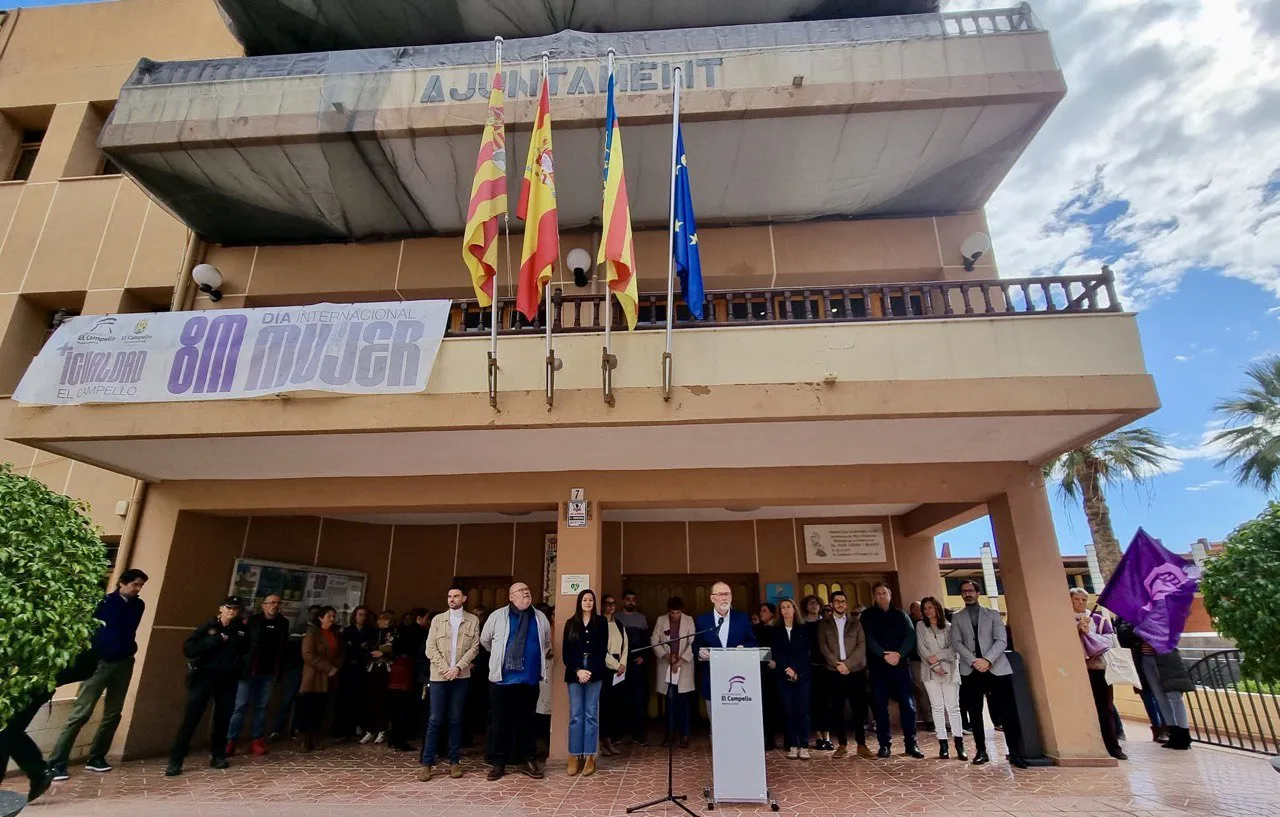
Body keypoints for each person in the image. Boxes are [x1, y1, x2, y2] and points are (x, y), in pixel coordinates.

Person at [48, 568, 149, 781]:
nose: (138, 589)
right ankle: (57, 762)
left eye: (141, 586)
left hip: (123, 662)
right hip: (100, 662)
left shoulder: (138, 605)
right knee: (81, 712)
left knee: (113, 712)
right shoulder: (103, 603)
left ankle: (97, 757)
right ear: (122, 582)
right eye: (135, 585)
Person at [1, 648, 99, 803]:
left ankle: (39, 772)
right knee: (9, 731)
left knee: (5, 732)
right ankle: (39, 772)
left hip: (32, 680)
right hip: (27, 678)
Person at [165, 597, 250, 776]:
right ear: (221, 608)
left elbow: (246, 652)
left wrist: (240, 669)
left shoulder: (241, 629)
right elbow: (190, 649)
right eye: (229, 608)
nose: (232, 611)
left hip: (228, 678)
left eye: (236, 609)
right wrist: (215, 640)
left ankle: (218, 755)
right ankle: (176, 760)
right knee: (191, 718)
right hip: (204, 676)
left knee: (223, 718)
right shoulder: (209, 626)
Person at [479, 581, 551, 780]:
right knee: (500, 722)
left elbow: (546, 643)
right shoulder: (497, 616)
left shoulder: (539, 617)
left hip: (528, 680)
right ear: (511, 597)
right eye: (521, 591)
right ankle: (498, 763)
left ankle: (528, 760)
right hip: (502, 680)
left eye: (528, 590)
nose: (526, 593)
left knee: (527, 721)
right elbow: (485, 641)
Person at [951, 579, 1026, 768]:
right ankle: (981, 751)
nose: (967, 594)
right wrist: (974, 661)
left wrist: (988, 660)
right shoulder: (957, 617)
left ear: (977, 593)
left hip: (996, 669)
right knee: (974, 712)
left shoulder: (992, 614)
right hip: (972, 670)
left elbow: (1001, 640)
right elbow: (957, 642)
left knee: (1007, 711)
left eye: (970, 590)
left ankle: (1015, 752)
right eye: (964, 591)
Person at [419, 585, 479, 781]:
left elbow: (474, 647)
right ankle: (427, 762)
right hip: (439, 676)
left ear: (464, 598)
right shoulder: (438, 620)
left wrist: (458, 668)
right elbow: (430, 648)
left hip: (460, 677)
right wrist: (445, 668)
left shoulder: (472, 621)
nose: (451, 599)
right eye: (449, 596)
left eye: (456, 596)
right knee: (435, 719)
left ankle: (455, 761)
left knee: (455, 718)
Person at [860, 583, 925, 759]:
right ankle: (884, 745)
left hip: (900, 666)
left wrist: (899, 654)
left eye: (884, 593)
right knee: (880, 707)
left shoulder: (901, 615)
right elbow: (867, 637)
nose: (881, 596)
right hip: (878, 667)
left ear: (890, 595)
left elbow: (911, 636)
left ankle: (911, 743)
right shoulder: (867, 616)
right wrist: (883, 655)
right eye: (878, 593)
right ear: (874, 596)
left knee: (908, 706)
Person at [226, 594, 289, 757]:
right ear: (264, 605)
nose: (275, 606)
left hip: (268, 672)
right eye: (272, 603)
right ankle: (230, 739)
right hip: (249, 670)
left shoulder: (283, 623)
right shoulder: (253, 622)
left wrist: (279, 671)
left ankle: (257, 739)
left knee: (262, 706)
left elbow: (283, 649)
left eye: (278, 603)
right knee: (240, 706)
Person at [1070, 587, 1127, 760]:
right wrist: (1076, 630)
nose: (1080, 602)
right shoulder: (1063, 620)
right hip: (1075, 671)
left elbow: (1109, 641)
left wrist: (1088, 634)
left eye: (1084, 599)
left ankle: (1112, 745)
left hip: (1098, 670)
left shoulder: (1100, 621)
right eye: (1076, 599)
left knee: (1105, 708)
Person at [818, 590, 873, 759]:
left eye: (843, 601)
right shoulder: (824, 624)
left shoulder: (856, 623)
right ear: (832, 604)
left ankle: (861, 745)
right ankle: (842, 744)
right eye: (837, 601)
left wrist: (848, 665)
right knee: (837, 709)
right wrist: (838, 665)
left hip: (855, 670)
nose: (840, 604)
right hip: (834, 671)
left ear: (846, 604)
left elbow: (861, 646)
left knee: (859, 708)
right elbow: (824, 648)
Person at [695, 582, 759, 723]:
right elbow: (696, 644)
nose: (724, 598)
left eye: (727, 594)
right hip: (712, 676)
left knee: (737, 721)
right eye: (720, 594)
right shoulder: (703, 620)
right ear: (712, 598)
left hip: (738, 677)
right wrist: (700, 651)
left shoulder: (741, 618)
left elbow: (753, 642)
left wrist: (744, 647)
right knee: (716, 722)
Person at [563, 589, 608, 776]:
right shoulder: (570, 623)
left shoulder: (601, 622)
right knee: (576, 715)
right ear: (579, 602)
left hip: (594, 672)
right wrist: (578, 670)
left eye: (591, 599)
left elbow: (602, 649)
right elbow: (566, 652)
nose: (588, 602)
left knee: (591, 714)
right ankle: (574, 756)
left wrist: (590, 671)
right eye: (584, 599)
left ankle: (590, 756)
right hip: (575, 673)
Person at [916, 596, 966, 760]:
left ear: (938, 608)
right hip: (930, 672)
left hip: (949, 671)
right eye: (925, 608)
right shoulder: (921, 626)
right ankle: (943, 744)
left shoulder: (950, 628)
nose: (928, 611)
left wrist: (936, 657)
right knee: (937, 707)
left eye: (931, 607)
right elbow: (922, 649)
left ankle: (959, 744)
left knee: (953, 707)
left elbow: (953, 650)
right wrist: (935, 665)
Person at [768, 598, 812, 760]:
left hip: (802, 675)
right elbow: (776, 653)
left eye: (789, 607)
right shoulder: (776, 631)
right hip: (783, 673)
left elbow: (806, 652)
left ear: (794, 609)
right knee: (788, 711)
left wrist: (795, 669)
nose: (786, 610)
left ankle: (805, 745)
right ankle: (793, 745)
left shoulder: (803, 629)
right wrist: (786, 668)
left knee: (803, 711)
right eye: (783, 608)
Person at [651, 595, 695, 748]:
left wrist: (681, 660)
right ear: (668, 611)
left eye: (678, 612)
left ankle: (685, 734)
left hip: (683, 667)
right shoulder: (660, 620)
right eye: (672, 612)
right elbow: (653, 641)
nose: (675, 615)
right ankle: (669, 735)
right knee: (669, 702)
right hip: (667, 666)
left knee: (683, 702)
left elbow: (693, 643)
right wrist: (665, 655)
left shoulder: (689, 620)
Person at [298, 605, 343, 753]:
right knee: (308, 708)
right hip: (314, 675)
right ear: (321, 618)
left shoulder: (335, 634)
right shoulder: (313, 633)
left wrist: (335, 667)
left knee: (321, 709)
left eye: (334, 616)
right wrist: (327, 668)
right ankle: (305, 739)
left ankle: (316, 737)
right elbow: (308, 654)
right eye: (329, 616)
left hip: (330, 676)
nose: (332, 619)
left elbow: (340, 654)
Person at [272, 604, 320, 741]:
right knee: (287, 699)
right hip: (295, 668)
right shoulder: (300, 628)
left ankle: (296, 729)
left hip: (311, 670)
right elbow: (292, 648)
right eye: (312, 613)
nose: (315, 616)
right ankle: (276, 730)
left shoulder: (320, 630)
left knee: (303, 701)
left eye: (317, 614)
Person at [615, 590, 651, 746]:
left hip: (637, 663)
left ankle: (638, 735)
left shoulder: (641, 618)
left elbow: (647, 640)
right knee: (619, 699)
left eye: (633, 599)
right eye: (628, 599)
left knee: (638, 699)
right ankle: (618, 735)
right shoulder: (616, 617)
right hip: (619, 663)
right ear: (623, 601)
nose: (630, 602)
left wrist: (644, 657)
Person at [336, 606, 377, 741]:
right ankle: (343, 729)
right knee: (346, 698)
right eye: (360, 615)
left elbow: (369, 647)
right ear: (354, 616)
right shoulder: (348, 631)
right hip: (348, 668)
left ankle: (358, 725)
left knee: (361, 697)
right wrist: (359, 647)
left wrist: (360, 648)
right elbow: (347, 648)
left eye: (364, 615)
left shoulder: (370, 631)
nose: (362, 617)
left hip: (363, 668)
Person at [361, 610, 398, 745]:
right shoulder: (374, 633)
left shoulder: (393, 634)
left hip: (385, 669)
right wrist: (371, 652)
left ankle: (382, 729)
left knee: (382, 699)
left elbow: (393, 649)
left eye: (382, 619)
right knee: (370, 699)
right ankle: (370, 730)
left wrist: (383, 653)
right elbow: (365, 647)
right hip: (372, 668)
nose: (378, 622)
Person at [599, 594, 629, 756]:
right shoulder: (599, 624)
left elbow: (625, 644)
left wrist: (622, 664)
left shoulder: (618, 623)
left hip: (619, 667)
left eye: (613, 603)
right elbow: (601, 649)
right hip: (606, 667)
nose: (611, 606)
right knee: (605, 705)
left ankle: (611, 738)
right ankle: (604, 740)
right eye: (607, 604)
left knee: (615, 705)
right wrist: (616, 665)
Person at [802, 595, 832, 751]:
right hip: (809, 667)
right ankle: (818, 737)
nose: (813, 606)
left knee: (826, 702)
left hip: (826, 666)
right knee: (813, 702)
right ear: (806, 606)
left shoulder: (826, 622)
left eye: (816, 603)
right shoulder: (802, 624)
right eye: (810, 603)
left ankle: (827, 736)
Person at [756, 602, 782, 750]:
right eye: (760, 610)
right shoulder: (758, 628)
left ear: (772, 613)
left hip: (778, 671)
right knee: (766, 707)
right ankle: (769, 739)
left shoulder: (778, 628)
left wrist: (776, 659)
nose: (761, 613)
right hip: (764, 672)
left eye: (764, 610)